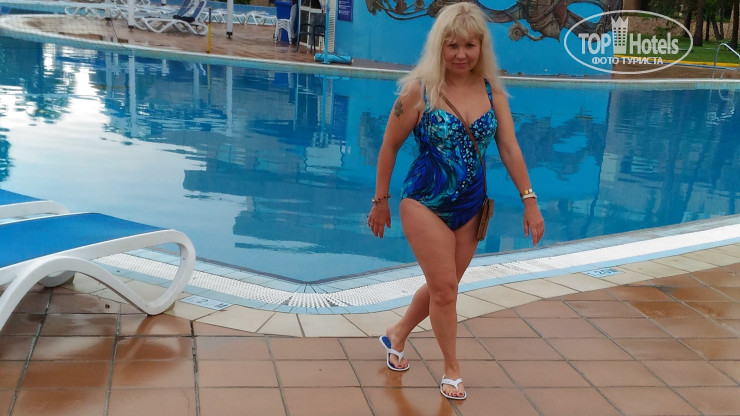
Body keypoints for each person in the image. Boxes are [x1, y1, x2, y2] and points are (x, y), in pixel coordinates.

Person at [367, 2, 545, 400]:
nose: (461, 54)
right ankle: (452, 370)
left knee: (442, 287)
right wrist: (380, 200)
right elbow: (389, 146)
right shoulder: (419, 91)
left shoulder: (492, 92)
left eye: (469, 45)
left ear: (481, 47)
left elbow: (510, 148)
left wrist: (529, 200)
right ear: (439, 47)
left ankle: (397, 332)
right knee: (446, 290)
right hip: (424, 201)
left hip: (470, 207)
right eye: (452, 45)